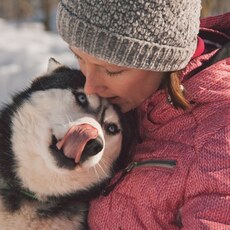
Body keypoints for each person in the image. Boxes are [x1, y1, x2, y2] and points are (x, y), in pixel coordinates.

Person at [56, 0, 230, 229]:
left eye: (112, 70)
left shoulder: (218, 141)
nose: (90, 87)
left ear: (166, 58)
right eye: (79, 57)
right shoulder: (127, 101)